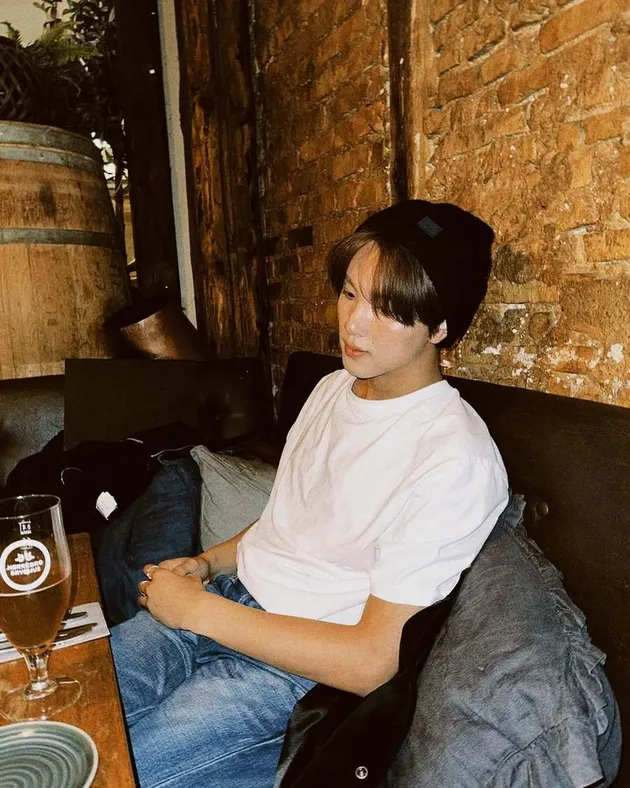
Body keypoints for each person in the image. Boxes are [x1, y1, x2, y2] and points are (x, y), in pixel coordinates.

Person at [111, 200, 509, 787]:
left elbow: (373, 662)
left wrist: (199, 611)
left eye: (387, 309)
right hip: (225, 599)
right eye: (349, 294)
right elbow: (288, 522)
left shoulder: (455, 457)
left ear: (441, 326)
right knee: (55, 706)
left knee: (100, 766)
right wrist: (206, 564)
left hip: (293, 670)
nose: (354, 325)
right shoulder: (331, 387)